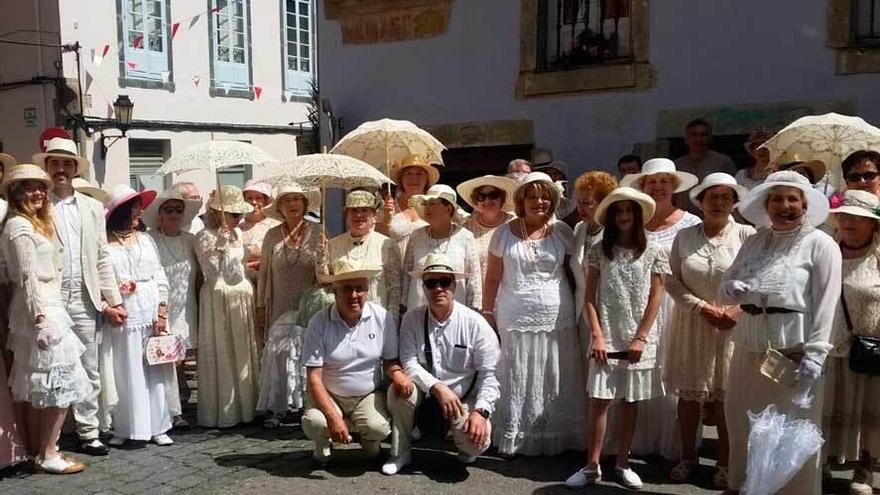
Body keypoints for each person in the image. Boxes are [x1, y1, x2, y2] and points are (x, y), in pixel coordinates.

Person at [721, 170, 841, 494]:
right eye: (777, 198)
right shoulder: (755, 240)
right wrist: (731, 287)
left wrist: (816, 354)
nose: (784, 205)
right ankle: (743, 486)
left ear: (804, 205)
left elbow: (827, 304)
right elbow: (726, 284)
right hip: (748, 344)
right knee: (742, 421)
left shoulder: (821, 244)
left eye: (792, 199)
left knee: (787, 432)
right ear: (766, 203)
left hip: (794, 350)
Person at [565, 186, 666, 490]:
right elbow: (590, 297)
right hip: (606, 334)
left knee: (630, 401)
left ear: (637, 215)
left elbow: (655, 297)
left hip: (638, 337)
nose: (623, 216)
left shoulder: (654, 249)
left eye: (629, 210)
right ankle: (592, 466)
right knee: (599, 400)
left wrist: (641, 338)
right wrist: (597, 335)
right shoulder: (599, 248)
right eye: (618, 211)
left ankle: (623, 462)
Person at [33, 137, 125, 456]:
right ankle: (55, 436)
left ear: (74, 169)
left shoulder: (91, 207)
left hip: (86, 297)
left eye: (66, 163)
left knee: (89, 367)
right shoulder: (38, 204)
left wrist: (112, 300)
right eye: (55, 163)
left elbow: (101, 256)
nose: (60, 169)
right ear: (47, 167)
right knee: (54, 366)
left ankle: (89, 431)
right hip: (53, 298)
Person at [482, 172, 586, 456]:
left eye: (545, 197)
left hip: (558, 317)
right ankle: (517, 435)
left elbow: (576, 272)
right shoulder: (502, 232)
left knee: (554, 373)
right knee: (516, 372)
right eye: (532, 196)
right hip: (514, 316)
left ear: (552, 201)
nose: (539, 202)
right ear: (521, 200)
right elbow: (491, 278)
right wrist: (487, 313)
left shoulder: (564, 231)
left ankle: (558, 435)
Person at [663, 173, 754, 488]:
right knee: (690, 397)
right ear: (700, 202)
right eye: (712, 197)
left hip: (733, 326)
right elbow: (670, 279)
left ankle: (725, 463)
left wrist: (737, 310)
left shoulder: (747, 235)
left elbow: (759, 281)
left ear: (734, 202)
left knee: (727, 398)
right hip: (694, 322)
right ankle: (687, 457)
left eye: (726, 197)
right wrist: (701, 307)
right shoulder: (684, 237)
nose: (719, 203)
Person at [1, 164, 89, 474]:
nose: (37, 192)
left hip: (49, 308)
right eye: (28, 188)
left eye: (40, 187)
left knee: (49, 389)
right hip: (41, 313)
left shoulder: (34, 224)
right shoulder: (19, 227)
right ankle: (48, 452)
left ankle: (44, 451)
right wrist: (40, 319)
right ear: (15, 193)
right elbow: (25, 278)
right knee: (58, 387)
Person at [383, 254, 501, 475]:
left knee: (474, 443)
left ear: (454, 285)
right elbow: (408, 362)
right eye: (431, 283)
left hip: (464, 400)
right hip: (429, 394)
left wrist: (481, 412)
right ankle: (400, 452)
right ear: (423, 287)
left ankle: (464, 443)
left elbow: (490, 373)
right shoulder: (412, 318)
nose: (438, 288)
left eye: (444, 282)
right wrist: (438, 387)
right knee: (397, 391)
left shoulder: (475, 324)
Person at [620, 157, 700, 459]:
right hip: (637, 306)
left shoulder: (690, 223)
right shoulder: (631, 223)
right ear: (642, 186)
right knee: (639, 371)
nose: (658, 187)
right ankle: (636, 440)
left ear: (674, 186)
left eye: (664, 181)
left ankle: (673, 442)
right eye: (651, 182)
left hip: (675, 305)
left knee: (670, 370)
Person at [301, 260, 407, 465]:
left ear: (367, 291)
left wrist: (398, 374)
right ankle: (323, 444)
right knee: (315, 422)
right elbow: (314, 378)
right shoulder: (318, 322)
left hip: (367, 394)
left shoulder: (382, 317)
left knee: (377, 428)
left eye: (360, 288)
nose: (354, 295)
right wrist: (333, 417)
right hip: (330, 393)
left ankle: (370, 442)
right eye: (346, 289)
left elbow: (390, 360)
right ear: (335, 291)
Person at [102, 185, 176, 447]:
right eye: (134, 207)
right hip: (123, 314)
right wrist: (106, 306)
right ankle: (127, 425)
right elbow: (99, 279)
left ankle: (159, 425)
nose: (140, 212)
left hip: (149, 309)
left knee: (153, 369)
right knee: (125, 370)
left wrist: (162, 310)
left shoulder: (146, 240)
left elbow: (160, 276)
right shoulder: (105, 244)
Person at [821, 190, 880, 495]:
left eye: (858, 218)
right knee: (827, 407)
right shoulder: (825, 251)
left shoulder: (879, 257)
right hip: (828, 345)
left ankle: (865, 468)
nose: (849, 223)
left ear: (873, 225)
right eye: (844, 216)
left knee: (870, 411)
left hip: (869, 348)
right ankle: (823, 463)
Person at [194, 185, 261, 428]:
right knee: (222, 348)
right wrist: (220, 244)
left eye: (239, 215)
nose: (238, 219)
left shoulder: (239, 234)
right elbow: (211, 272)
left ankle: (247, 406)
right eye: (233, 215)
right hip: (218, 296)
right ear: (219, 213)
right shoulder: (205, 236)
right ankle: (225, 409)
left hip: (240, 294)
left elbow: (239, 268)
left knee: (242, 349)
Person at [142, 188, 202, 426]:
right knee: (167, 360)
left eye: (179, 210)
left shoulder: (190, 240)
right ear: (159, 213)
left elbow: (199, 275)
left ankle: (182, 401)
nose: (174, 214)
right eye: (169, 210)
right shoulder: (150, 239)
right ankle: (170, 410)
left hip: (187, 306)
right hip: (161, 307)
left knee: (183, 358)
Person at [256, 181, 328, 347]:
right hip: (279, 306)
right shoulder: (271, 235)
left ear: (305, 204)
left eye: (296, 199)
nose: (292, 204)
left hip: (310, 306)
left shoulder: (319, 232)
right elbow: (264, 273)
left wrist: (323, 253)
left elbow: (326, 272)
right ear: (279, 208)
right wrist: (260, 306)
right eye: (286, 201)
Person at [401, 184, 482, 312]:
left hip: (455, 310)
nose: (427, 208)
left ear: (448, 209)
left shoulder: (465, 237)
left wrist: (475, 309)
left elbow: (474, 279)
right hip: (419, 310)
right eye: (425, 204)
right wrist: (403, 307)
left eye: (432, 204)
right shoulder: (417, 236)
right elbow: (407, 275)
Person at [328, 190, 401, 319]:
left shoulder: (387, 245)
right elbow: (325, 284)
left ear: (373, 215)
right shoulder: (332, 245)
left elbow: (394, 290)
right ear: (346, 215)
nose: (359, 215)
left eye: (364, 210)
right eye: (354, 210)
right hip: (342, 321)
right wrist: (320, 259)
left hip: (377, 320)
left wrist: (391, 324)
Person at [570, 171, 618, 349]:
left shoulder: (615, 232)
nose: (581, 208)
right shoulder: (579, 229)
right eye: (579, 202)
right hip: (581, 310)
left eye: (588, 203)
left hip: (608, 311)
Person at [457, 175, 517, 280]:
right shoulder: (466, 228)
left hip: (509, 291)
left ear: (502, 199)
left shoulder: (514, 224)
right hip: (478, 290)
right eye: (482, 196)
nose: (487, 200)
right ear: (476, 201)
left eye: (493, 195)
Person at [377, 156, 439, 256]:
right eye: (409, 173)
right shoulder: (388, 206)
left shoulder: (437, 206)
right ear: (401, 179)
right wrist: (386, 219)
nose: (414, 179)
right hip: (393, 267)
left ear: (427, 179)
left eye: (419, 174)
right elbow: (376, 240)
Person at [240, 179, 280, 282]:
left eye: (258, 198)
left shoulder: (276, 227)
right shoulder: (237, 229)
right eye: (249, 198)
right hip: (244, 283)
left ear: (266, 201)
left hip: (270, 281)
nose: (254, 202)